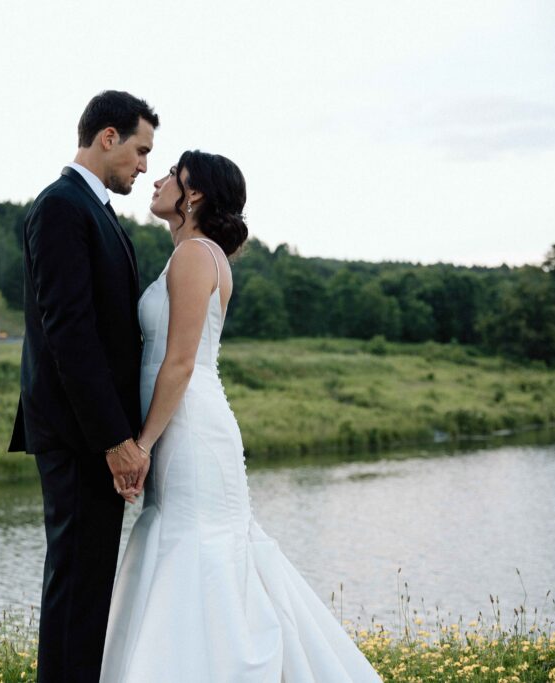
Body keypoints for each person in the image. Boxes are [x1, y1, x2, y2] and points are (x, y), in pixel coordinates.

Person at [99, 151, 381, 682]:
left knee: (199, 548)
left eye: (169, 176)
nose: (155, 180)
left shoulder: (195, 256)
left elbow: (180, 362)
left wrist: (142, 444)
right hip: (183, 425)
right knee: (191, 544)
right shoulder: (190, 255)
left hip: (185, 430)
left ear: (194, 194)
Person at [8, 90, 158, 683]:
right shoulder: (62, 207)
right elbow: (69, 333)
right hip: (78, 436)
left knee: (90, 582)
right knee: (75, 583)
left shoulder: (94, 209)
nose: (144, 165)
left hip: (91, 434)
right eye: (141, 150)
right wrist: (114, 439)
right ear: (108, 137)